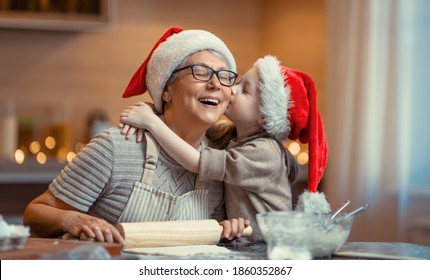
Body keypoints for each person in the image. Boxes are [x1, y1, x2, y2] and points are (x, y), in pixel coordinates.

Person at [23, 27, 249, 244]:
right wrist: (73, 220)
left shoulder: (218, 165)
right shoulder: (116, 148)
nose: (215, 84)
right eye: (200, 72)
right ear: (166, 90)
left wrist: (229, 228)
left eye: (225, 76)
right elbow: (35, 213)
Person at [119, 55, 331, 241]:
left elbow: (197, 162)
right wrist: (159, 109)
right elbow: (187, 125)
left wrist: (152, 123)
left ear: (264, 117)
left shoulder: (266, 153)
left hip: (268, 252)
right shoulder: (233, 136)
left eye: (244, 90)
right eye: (237, 82)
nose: (231, 89)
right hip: (244, 245)